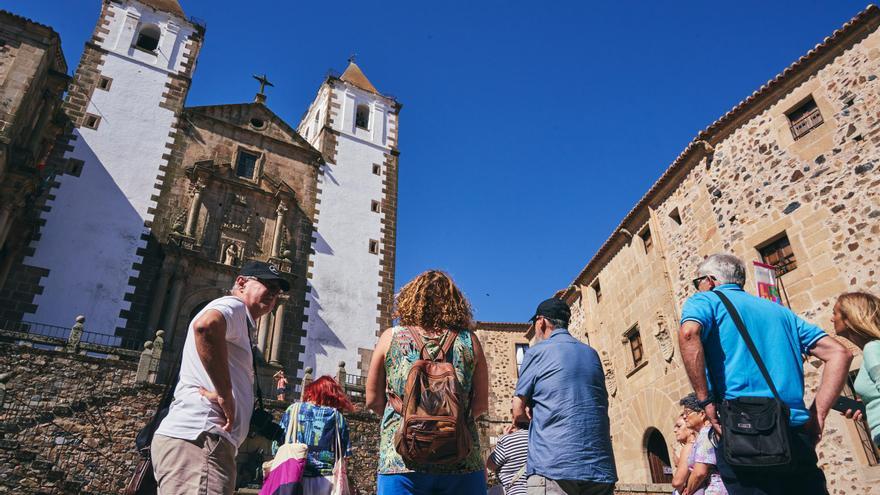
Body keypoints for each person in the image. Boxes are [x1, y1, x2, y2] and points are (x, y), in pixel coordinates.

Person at [678, 253, 853, 495]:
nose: (698, 288)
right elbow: (839, 354)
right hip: (793, 432)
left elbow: (689, 333)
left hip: (742, 431)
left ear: (710, 280)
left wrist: (705, 400)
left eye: (698, 282)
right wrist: (818, 414)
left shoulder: (706, 301)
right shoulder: (780, 312)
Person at [152, 261, 290, 495]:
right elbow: (206, 327)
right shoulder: (234, 305)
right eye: (268, 284)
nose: (273, 294)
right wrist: (226, 394)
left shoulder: (242, 321)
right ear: (241, 283)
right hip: (202, 438)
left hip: (205, 441)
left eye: (277, 291)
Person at [365, 269, 489, 495]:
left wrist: (409, 418)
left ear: (411, 298)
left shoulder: (391, 337)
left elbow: (372, 400)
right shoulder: (469, 340)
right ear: (456, 303)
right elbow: (480, 406)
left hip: (400, 461)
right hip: (462, 461)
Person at [513, 298, 617, 495]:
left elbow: (517, 408)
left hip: (553, 464)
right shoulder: (591, 354)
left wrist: (528, 419)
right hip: (599, 465)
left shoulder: (536, 353)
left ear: (541, 321)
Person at [277, 375, 354, 495]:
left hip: (293, 477)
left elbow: (277, 445)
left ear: (312, 391)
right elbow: (345, 455)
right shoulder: (338, 417)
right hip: (326, 482)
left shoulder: (293, 410)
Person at [832, 291, 880, 445]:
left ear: (849, 317)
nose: (831, 318)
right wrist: (867, 408)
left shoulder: (872, 348)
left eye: (835, 313)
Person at [672, 394, 726, 495]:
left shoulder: (706, 434)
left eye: (687, 412)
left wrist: (688, 491)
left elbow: (699, 472)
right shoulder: (707, 432)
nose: (685, 417)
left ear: (702, 414)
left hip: (714, 490)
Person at [487, 403, 530, 495]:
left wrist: (503, 438)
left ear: (514, 418)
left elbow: (490, 464)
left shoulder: (507, 440)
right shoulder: (541, 439)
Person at [671, 416, 696, 495]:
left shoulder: (688, 447)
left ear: (690, 428)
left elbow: (677, 482)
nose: (675, 430)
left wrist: (679, 466)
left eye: (679, 426)